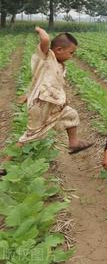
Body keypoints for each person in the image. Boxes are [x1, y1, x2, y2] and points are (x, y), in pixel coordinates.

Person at [0, 27, 93, 176]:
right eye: (71, 52)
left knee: (72, 114)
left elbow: (42, 81)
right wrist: (38, 29)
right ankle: (4, 163)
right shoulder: (46, 57)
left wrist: (28, 94)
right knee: (31, 135)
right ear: (59, 49)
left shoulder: (60, 65)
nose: (71, 56)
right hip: (41, 105)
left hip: (52, 104)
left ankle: (74, 143)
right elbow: (45, 41)